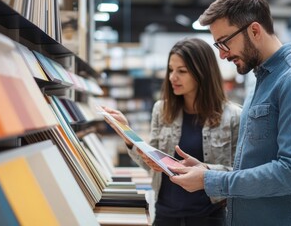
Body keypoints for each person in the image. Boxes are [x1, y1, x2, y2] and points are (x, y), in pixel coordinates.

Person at [167, 0, 291, 226]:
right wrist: (208, 170)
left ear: (255, 30)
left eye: (224, 42)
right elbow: (255, 165)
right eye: (218, 46)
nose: (223, 55)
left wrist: (211, 181)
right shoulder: (261, 81)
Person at [103, 37, 241, 226]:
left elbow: (240, 174)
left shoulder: (233, 116)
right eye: (170, 70)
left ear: (202, 72)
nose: (172, 77)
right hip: (165, 216)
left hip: (209, 217)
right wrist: (128, 136)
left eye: (181, 71)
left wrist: (205, 170)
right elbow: (152, 165)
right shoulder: (162, 109)